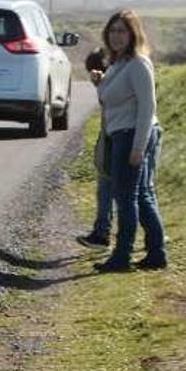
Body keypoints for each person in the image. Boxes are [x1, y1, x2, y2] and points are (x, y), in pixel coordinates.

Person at [93, 10, 168, 272]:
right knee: (141, 196)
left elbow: (148, 106)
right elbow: (109, 97)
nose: (116, 36)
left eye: (122, 31)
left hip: (132, 135)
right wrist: (100, 81)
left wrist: (138, 147)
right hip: (122, 134)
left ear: (133, 34)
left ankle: (122, 256)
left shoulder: (138, 63)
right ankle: (157, 253)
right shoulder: (118, 63)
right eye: (112, 31)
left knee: (125, 198)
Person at [77, 47, 114, 248]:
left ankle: (102, 233)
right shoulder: (122, 71)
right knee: (139, 191)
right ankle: (153, 236)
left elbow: (108, 104)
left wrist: (100, 85)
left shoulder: (113, 79)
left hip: (114, 136)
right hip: (117, 135)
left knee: (107, 186)